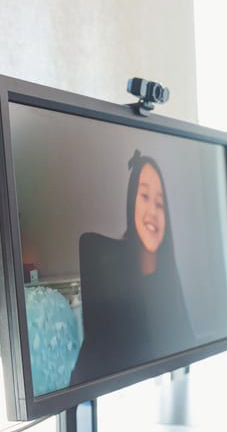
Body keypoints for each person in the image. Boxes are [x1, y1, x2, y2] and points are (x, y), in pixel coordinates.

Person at [70, 151, 195, 385]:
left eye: (160, 203)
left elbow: (187, 345)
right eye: (145, 196)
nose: (153, 212)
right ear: (131, 203)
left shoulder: (169, 278)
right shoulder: (111, 271)